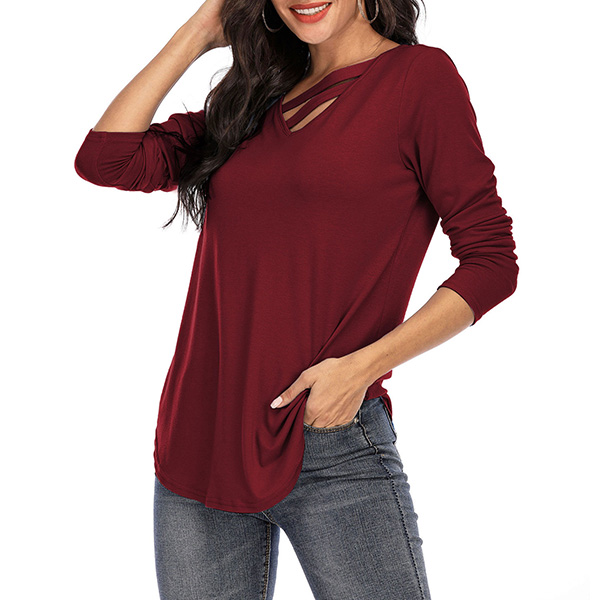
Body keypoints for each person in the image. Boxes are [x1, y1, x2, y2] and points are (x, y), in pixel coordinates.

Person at [74, 0, 518, 598]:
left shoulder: (418, 80)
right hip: (199, 442)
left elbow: (491, 260)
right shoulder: (253, 99)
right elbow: (105, 159)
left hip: (329, 439)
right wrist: (201, 31)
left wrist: (361, 369)